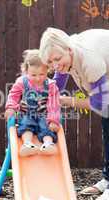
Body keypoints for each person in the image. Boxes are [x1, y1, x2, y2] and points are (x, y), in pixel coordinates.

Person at [39, 28, 109, 200]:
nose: (55, 65)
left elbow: (101, 104)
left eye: (57, 59)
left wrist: (68, 101)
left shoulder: (89, 60)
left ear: (69, 50)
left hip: (102, 82)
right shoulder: (64, 53)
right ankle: (107, 179)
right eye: (50, 62)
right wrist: (42, 99)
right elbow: (57, 85)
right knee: (107, 128)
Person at [5, 49, 60, 157]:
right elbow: (14, 95)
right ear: (26, 71)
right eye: (33, 75)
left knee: (46, 126)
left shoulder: (51, 85)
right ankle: (27, 144)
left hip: (44, 114)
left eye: (42, 74)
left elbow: (54, 104)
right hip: (27, 113)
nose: (38, 78)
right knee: (25, 123)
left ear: (47, 70)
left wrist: (53, 120)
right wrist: (11, 107)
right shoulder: (22, 82)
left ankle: (48, 144)